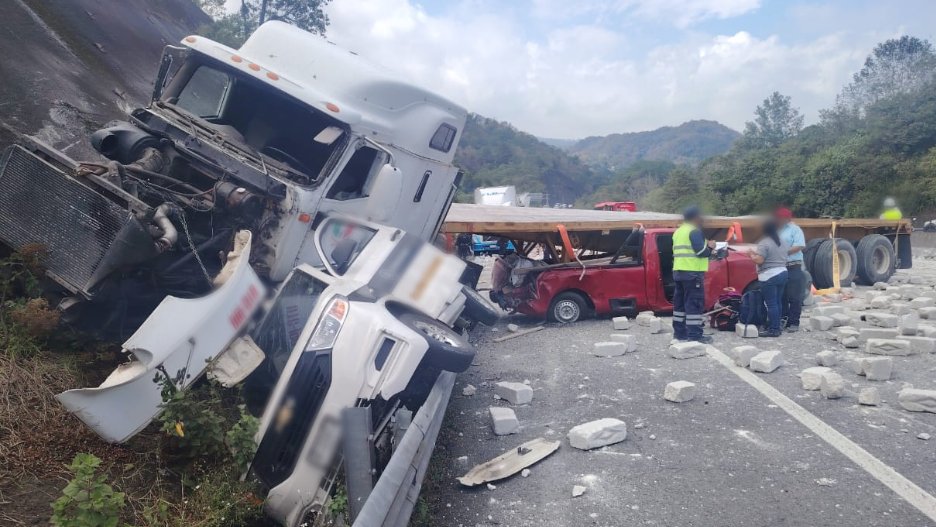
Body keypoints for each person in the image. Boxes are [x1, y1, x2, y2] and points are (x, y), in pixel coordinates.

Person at [672, 206, 715, 343]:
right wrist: (710, 247)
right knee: (694, 304)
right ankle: (695, 335)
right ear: (696, 217)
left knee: (679, 305)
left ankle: (680, 333)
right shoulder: (694, 231)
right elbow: (701, 252)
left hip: (679, 272)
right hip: (692, 273)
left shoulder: (678, 232)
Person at [747, 220, 790, 337]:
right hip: (783, 272)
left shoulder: (764, 243)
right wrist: (756, 253)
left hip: (769, 275)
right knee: (778, 302)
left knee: (771, 304)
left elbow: (760, 260)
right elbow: (774, 255)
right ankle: (777, 326)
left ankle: (774, 329)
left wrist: (751, 255)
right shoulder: (783, 242)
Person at [776, 207, 806, 332]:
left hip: (794, 265)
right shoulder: (778, 230)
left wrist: (784, 251)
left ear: (787, 218)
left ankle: (794, 322)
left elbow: (799, 246)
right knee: (781, 294)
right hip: (781, 266)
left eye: (781, 218)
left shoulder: (795, 229)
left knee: (794, 296)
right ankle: (783, 318)